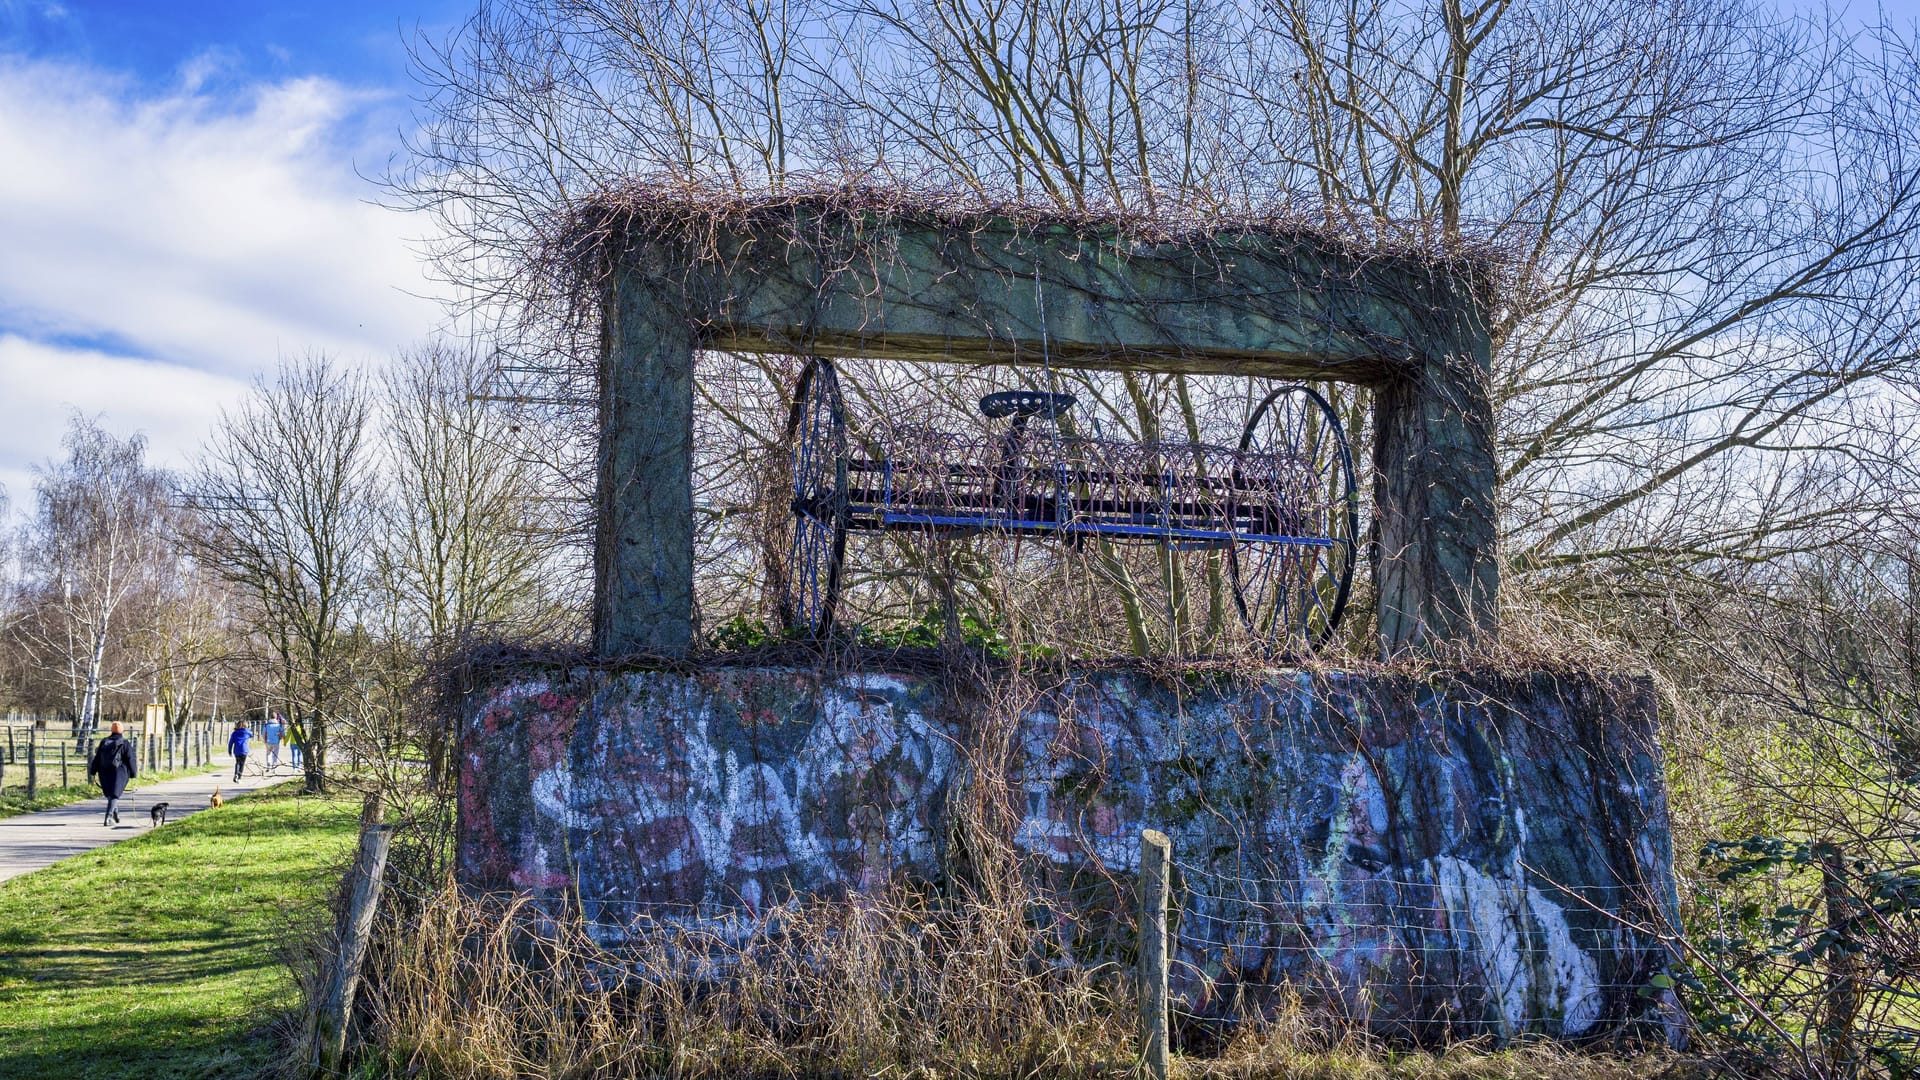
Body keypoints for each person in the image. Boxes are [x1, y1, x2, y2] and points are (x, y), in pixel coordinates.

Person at [87, 721, 138, 826]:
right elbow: (130, 759)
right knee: (115, 795)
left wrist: (93, 770)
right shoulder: (125, 743)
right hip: (119, 772)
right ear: (122, 731)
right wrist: (133, 773)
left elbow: (97, 758)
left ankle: (115, 815)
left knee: (111, 794)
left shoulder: (104, 742)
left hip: (104, 771)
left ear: (111, 730)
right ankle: (108, 818)